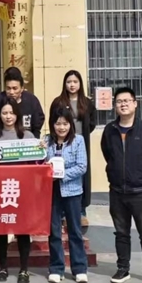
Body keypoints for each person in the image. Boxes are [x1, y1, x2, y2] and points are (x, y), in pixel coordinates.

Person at [101, 87, 142, 283]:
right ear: (115, 106)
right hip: (117, 191)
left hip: (140, 192)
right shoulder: (110, 131)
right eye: (119, 101)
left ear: (135, 104)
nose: (123, 104)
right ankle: (123, 268)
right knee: (121, 232)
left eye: (127, 101)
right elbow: (108, 155)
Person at [0, 96, 34, 283]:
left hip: (22, 190)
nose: (8, 116)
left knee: (23, 230)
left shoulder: (27, 136)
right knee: (1, 229)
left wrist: (41, 149)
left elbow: (37, 163)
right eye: (4, 113)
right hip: (0, 190)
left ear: (17, 114)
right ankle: (3, 267)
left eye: (11, 113)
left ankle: (24, 269)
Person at [45, 108, 88, 283]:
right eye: (58, 123)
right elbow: (40, 163)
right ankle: (56, 268)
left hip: (72, 191)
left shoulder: (78, 140)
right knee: (54, 231)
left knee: (75, 231)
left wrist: (61, 174)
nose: (61, 127)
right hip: (51, 191)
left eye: (65, 123)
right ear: (52, 124)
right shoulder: (46, 141)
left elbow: (82, 166)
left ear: (71, 124)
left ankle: (79, 268)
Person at [49, 70, 96, 226]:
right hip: (62, 143)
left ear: (80, 84)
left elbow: (92, 123)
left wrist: (79, 136)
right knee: (60, 172)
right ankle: (62, 213)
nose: (72, 85)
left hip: (79, 143)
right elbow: (52, 121)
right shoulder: (58, 102)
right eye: (69, 82)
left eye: (75, 82)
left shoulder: (87, 103)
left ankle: (81, 210)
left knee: (81, 174)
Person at [0, 67, 44, 138]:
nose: (11, 92)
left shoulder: (32, 100)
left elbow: (38, 122)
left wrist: (33, 140)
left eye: (15, 88)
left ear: (22, 88)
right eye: (8, 88)